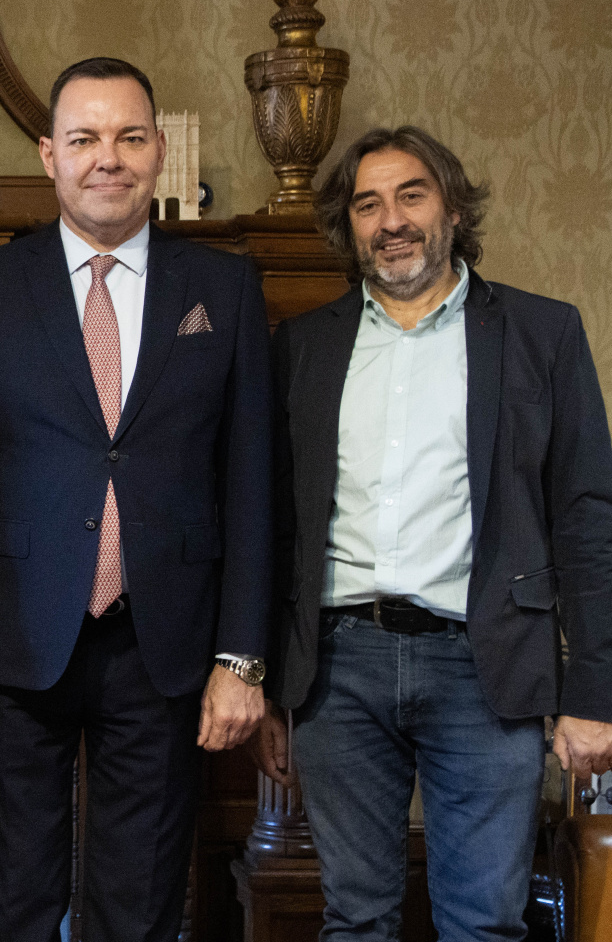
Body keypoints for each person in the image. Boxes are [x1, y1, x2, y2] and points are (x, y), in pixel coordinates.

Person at [0, 57, 272, 941]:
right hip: (17, 631)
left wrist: (241, 657)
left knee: (143, 897)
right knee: (14, 894)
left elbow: (252, 480)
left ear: (159, 151)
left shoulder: (224, 289)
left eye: (128, 138)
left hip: (166, 638)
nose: (105, 158)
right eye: (83, 139)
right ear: (49, 155)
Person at [256, 125, 612, 941]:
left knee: (484, 923)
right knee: (354, 919)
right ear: (348, 226)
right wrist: (273, 680)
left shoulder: (540, 335)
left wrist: (594, 693)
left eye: (411, 195)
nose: (392, 220)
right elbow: (274, 528)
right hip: (337, 669)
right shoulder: (305, 348)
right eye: (368, 204)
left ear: (452, 205)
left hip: (486, 669)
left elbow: (588, 521)